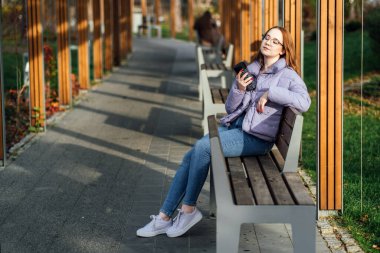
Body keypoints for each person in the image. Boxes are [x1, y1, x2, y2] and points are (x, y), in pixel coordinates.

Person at [136, 26, 311, 238]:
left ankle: (188, 210)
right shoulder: (253, 69)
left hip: (256, 139)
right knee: (190, 155)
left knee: (202, 147)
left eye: (275, 41)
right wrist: (238, 87)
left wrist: (270, 93)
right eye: (267, 38)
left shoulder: (287, 75)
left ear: (283, 50)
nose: (268, 42)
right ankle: (164, 218)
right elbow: (230, 109)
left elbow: (305, 101)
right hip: (237, 128)